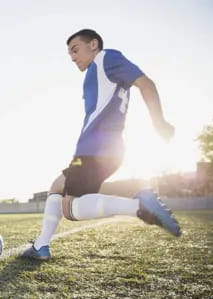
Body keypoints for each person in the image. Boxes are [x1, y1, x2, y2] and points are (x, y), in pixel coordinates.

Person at [23, 29, 181, 261]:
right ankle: (41, 246)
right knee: (57, 187)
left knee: (70, 210)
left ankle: (138, 206)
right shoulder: (96, 72)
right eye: (69, 54)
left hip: (94, 150)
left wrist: (158, 121)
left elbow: (146, 84)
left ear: (94, 44)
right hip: (102, 149)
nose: (73, 57)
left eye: (75, 50)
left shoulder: (106, 58)